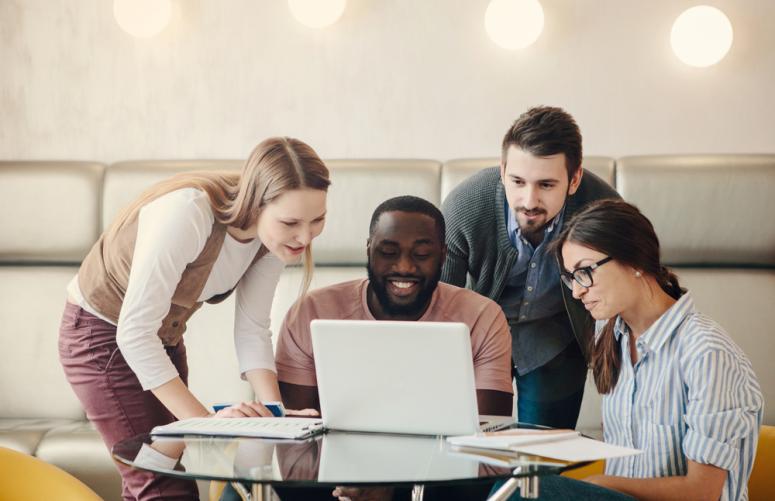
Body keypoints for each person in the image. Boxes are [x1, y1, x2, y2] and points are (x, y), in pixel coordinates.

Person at [58, 137, 330, 500]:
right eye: (291, 222)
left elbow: (252, 329)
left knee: (154, 473)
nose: (305, 236)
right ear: (257, 202)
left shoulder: (274, 239)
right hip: (101, 338)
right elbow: (134, 333)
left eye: (318, 220)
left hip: (161, 339)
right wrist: (207, 426)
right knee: (161, 482)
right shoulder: (188, 211)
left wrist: (275, 418)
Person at [274, 195, 514, 501]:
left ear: (443, 256)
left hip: (438, 486)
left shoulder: (482, 317)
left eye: (423, 253)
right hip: (333, 482)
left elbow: (485, 449)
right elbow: (294, 443)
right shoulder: (310, 312)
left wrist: (392, 488)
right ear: (369, 250)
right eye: (388, 252)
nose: (404, 266)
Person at [520, 199, 760, 501]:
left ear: (634, 261)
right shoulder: (609, 334)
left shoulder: (706, 353)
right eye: (571, 278)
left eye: (585, 272)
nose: (577, 291)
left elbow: (703, 492)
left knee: (537, 492)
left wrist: (601, 484)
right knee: (520, 485)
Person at [441, 106, 619, 428]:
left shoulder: (605, 211)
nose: (528, 200)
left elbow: (625, 292)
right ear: (502, 170)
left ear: (574, 178)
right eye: (518, 181)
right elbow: (439, 304)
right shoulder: (463, 206)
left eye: (547, 185)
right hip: (478, 337)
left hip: (555, 340)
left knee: (544, 457)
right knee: (470, 453)